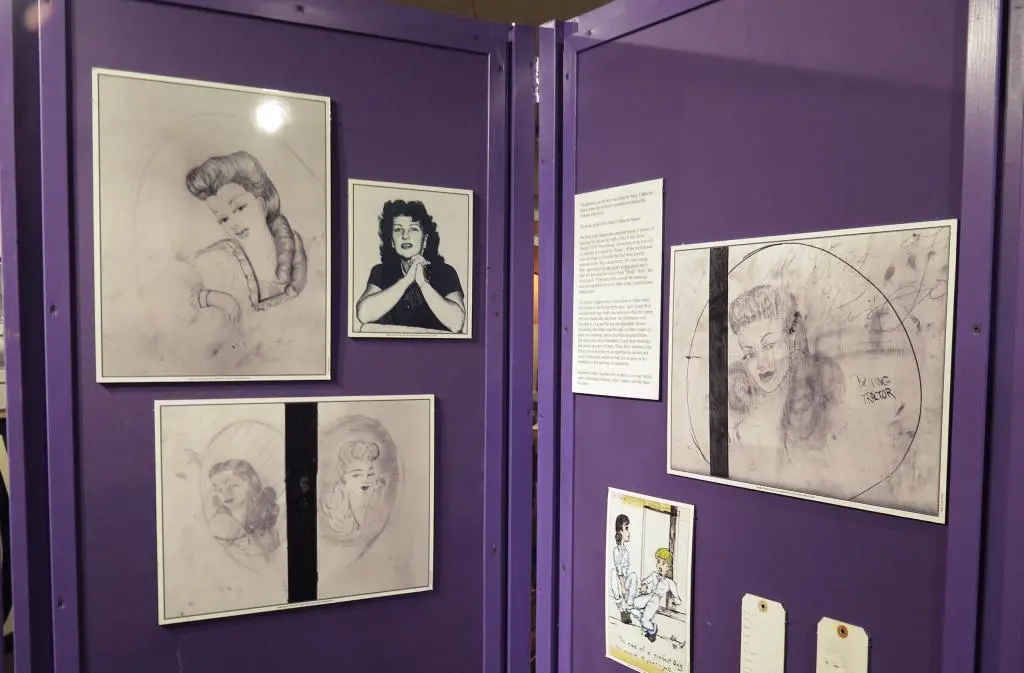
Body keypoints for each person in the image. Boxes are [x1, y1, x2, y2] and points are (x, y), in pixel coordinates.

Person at [727, 284, 844, 468]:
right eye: (749, 354)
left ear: (791, 339)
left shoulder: (825, 407)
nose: (761, 363)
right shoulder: (745, 431)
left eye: (769, 345)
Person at [355, 199, 466, 333]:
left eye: (413, 229)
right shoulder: (381, 271)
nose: (405, 235)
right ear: (392, 241)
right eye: (398, 229)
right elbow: (363, 314)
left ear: (425, 240)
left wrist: (423, 283)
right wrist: (407, 279)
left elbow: (456, 323)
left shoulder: (445, 272)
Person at [206, 459, 281, 559]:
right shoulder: (220, 525)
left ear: (249, 483)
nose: (226, 494)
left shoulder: (264, 517)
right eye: (219, 489)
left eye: (233, 486)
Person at [320, 439, 386, 544]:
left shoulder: (375, 499)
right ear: (343, 474)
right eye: (357, 475)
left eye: (369, 474)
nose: (365, 480)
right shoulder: (337, 504)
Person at [628, 548, 682, 642]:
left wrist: (673, 600)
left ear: (669, 567)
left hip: (655, 600)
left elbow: (678, 600)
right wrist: (644, 585)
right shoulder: (654, 575)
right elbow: (645, 581)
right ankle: (643, 620)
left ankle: (652, 629)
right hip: (648, 596)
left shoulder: (670, 582)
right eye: (658, 562)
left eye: (663, 563)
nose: (660, 565)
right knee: (631, 605)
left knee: (645, 620)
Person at [609, 514, 638, 623]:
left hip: (624, 580)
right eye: (626, 528)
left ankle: (628, 610)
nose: (628, 532)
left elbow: (625, 570)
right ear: (620, 531)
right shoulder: (616, 550)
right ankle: (622, 610)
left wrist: (625, 586)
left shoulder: (626, 552)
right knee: (613, 573)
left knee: (633, 576)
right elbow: (619, 569)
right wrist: (622, 587)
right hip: (618, 581)